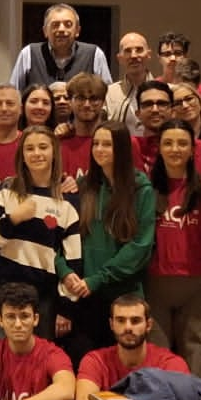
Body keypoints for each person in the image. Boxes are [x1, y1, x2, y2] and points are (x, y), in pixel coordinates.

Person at [64, 123, 156, 356]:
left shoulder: (140, 189)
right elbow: (67, 237)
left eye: (107, 144)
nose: (99, 149)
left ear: (122, 149)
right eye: (96, 143)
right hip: (85, 295)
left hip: (124, 295)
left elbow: (140, 245)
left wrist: (99, 278)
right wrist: (67, 273)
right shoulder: (85, 186)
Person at [0, 127, 83, 342]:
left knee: (39, 366)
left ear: (54, 152)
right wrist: (14, 219)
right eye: (29, 148)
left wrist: (66, 307)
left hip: (44, 296)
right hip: (5, 290)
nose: (36, 153)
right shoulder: (6, 192)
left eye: (43, 147)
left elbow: (73, 261)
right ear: (22, 155)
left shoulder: (67, 202)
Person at [144, 119, 201, 379]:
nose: (175, 149)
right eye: (168, 143)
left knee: (199, 355)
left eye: (182, 143)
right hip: (156, 283)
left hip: (198, 283)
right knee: (156, 359)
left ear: (192, 149)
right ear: (159, 149)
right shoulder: (146, 190)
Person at [9, 4, 110, 92]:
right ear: (45, 31)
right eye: (55, 25)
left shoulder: (95, 54)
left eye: (68, 24)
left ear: (77, 30)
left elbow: (107, 97)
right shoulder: (28, 54)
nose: (61, 29)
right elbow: (14, 93)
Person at [101, 34, 151, 133]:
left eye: (139, 50)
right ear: (119, 58)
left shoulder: (165, 90)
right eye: (128, 51)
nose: (133, 56)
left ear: (148, 54)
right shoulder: (108, 93)